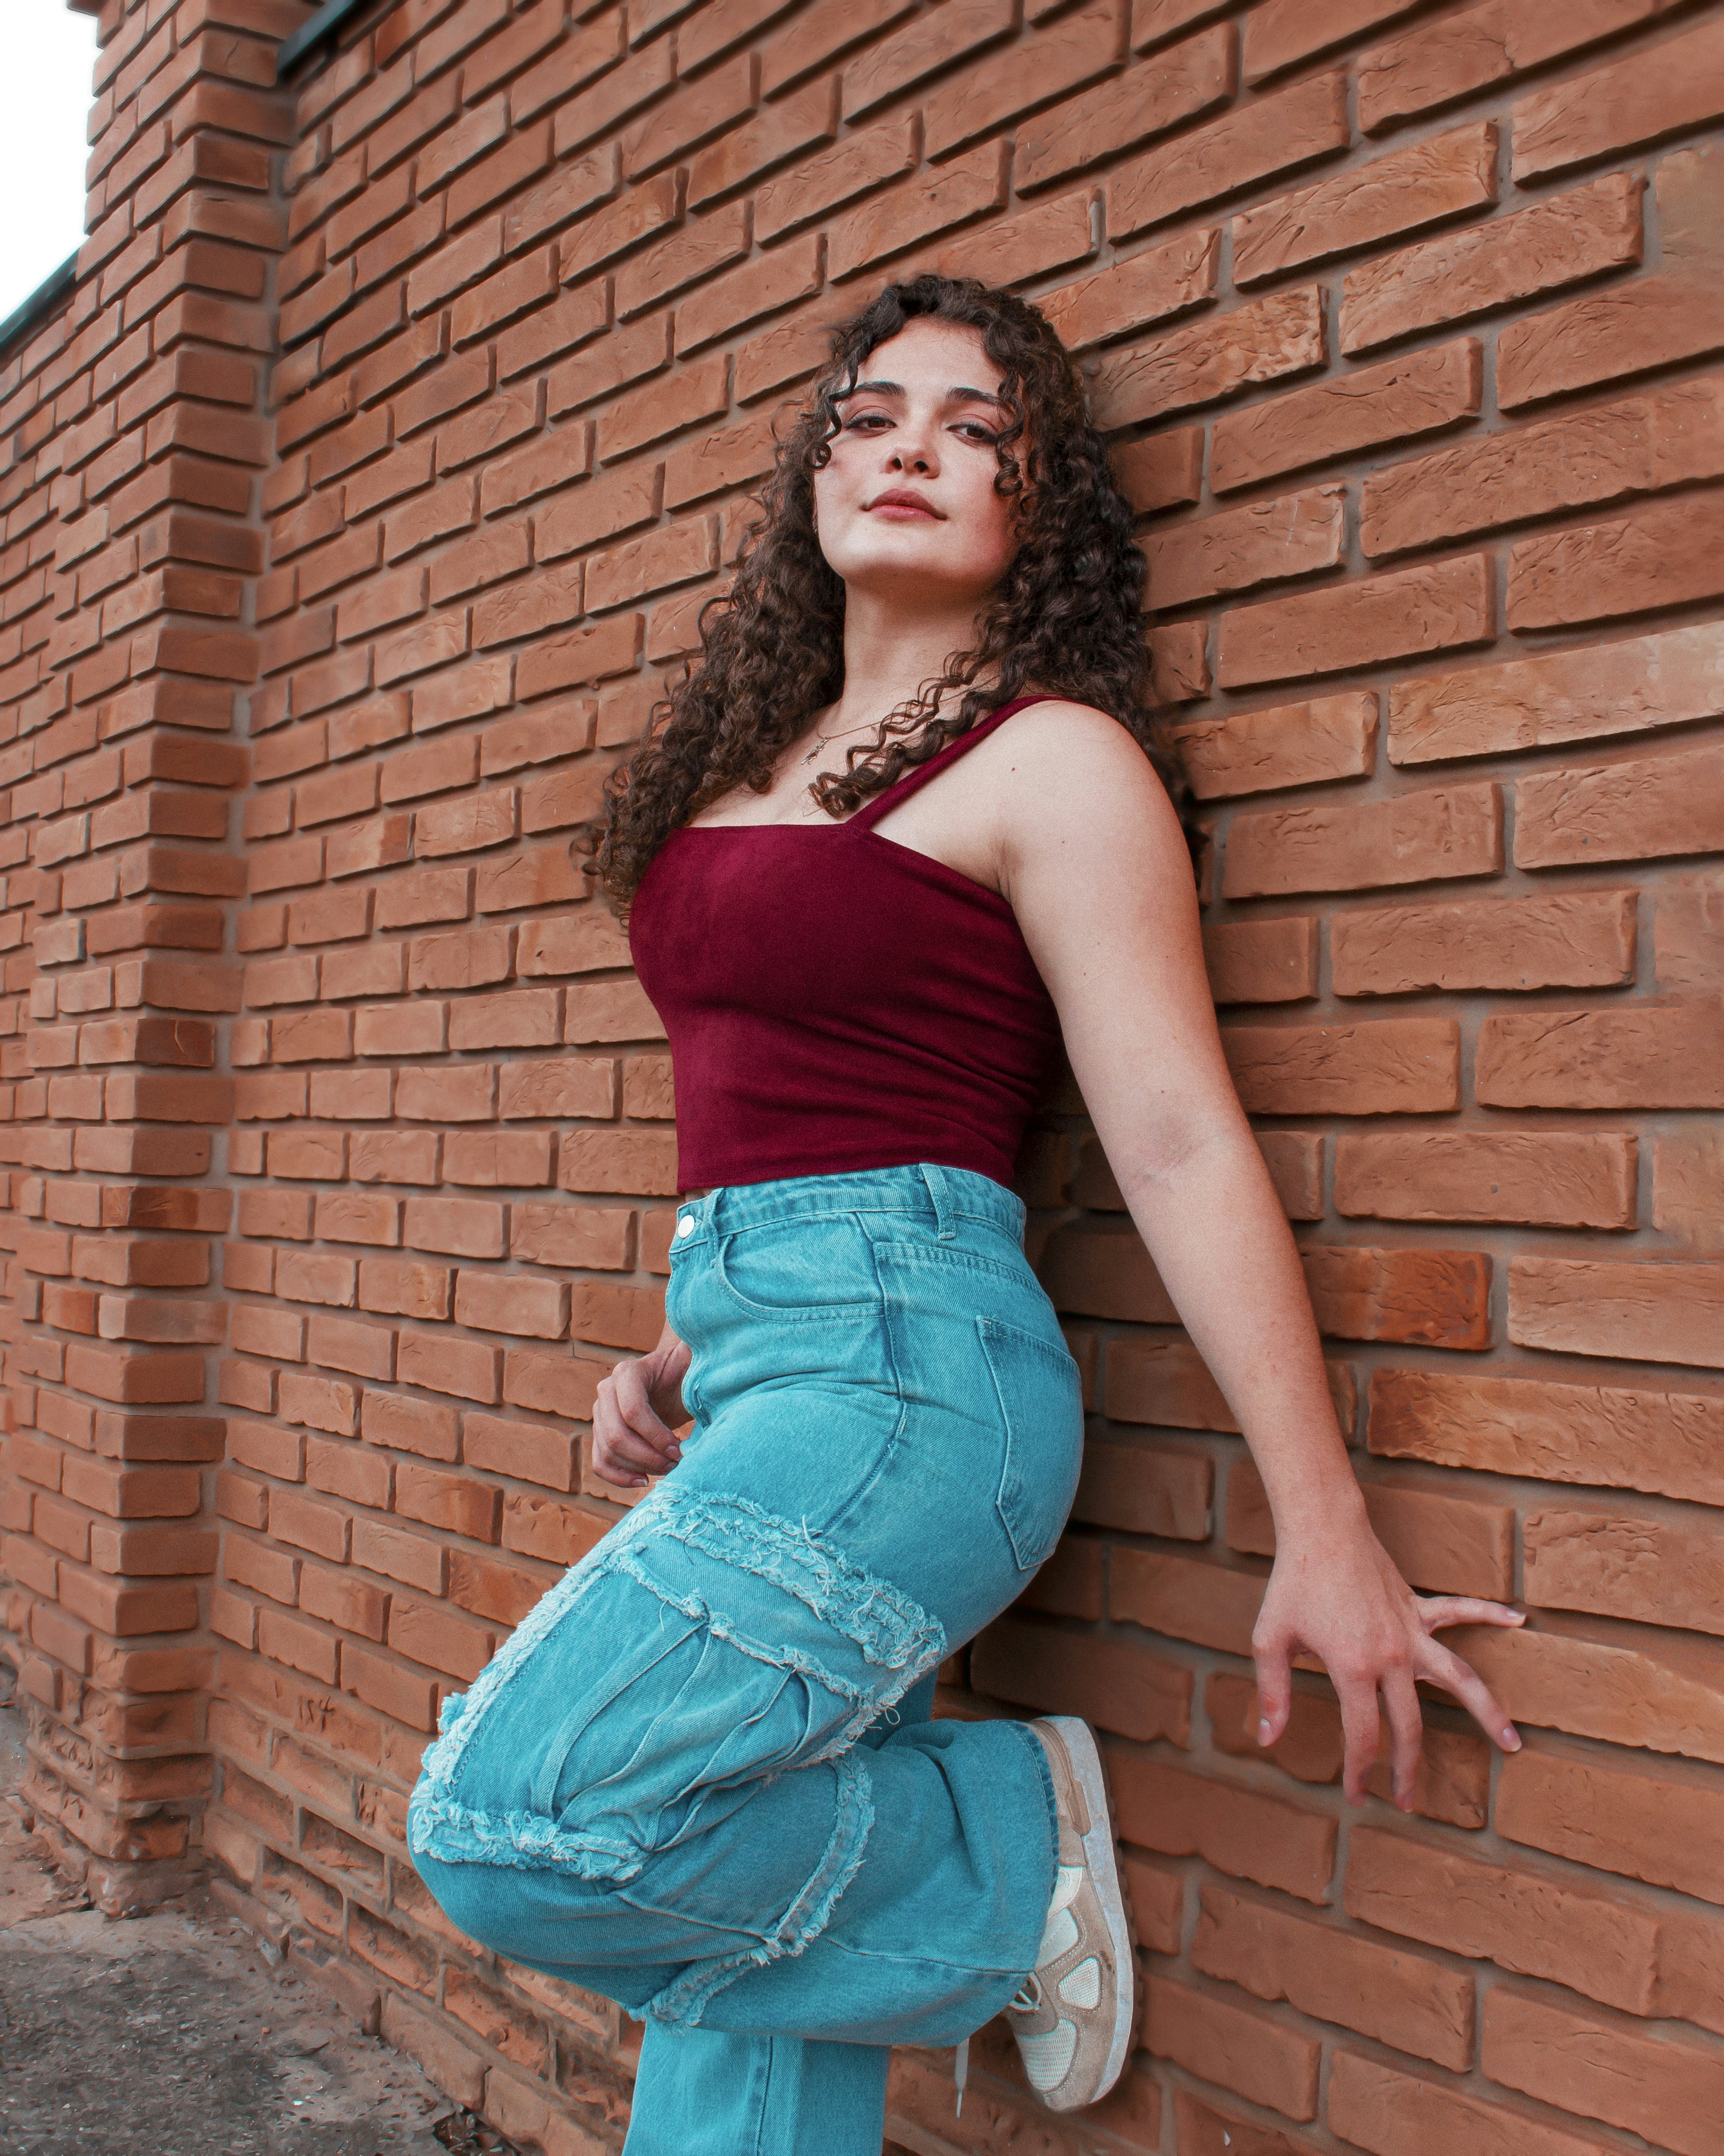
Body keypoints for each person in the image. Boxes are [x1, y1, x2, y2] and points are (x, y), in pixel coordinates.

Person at [406, 273, 1525, 2154]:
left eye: (976, 429)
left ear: (1038, 503)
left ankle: (1003, 1849)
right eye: (870, 417)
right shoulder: (748, 770)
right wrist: (687, 1338)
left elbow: (1174, 1140)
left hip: (917, 1385)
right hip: (766, 1364)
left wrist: (1324, 1521)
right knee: (741, 1968)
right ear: (816, 474)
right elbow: (797, 1091)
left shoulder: (1047, 758)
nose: (910, 449)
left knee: (517, 1819)